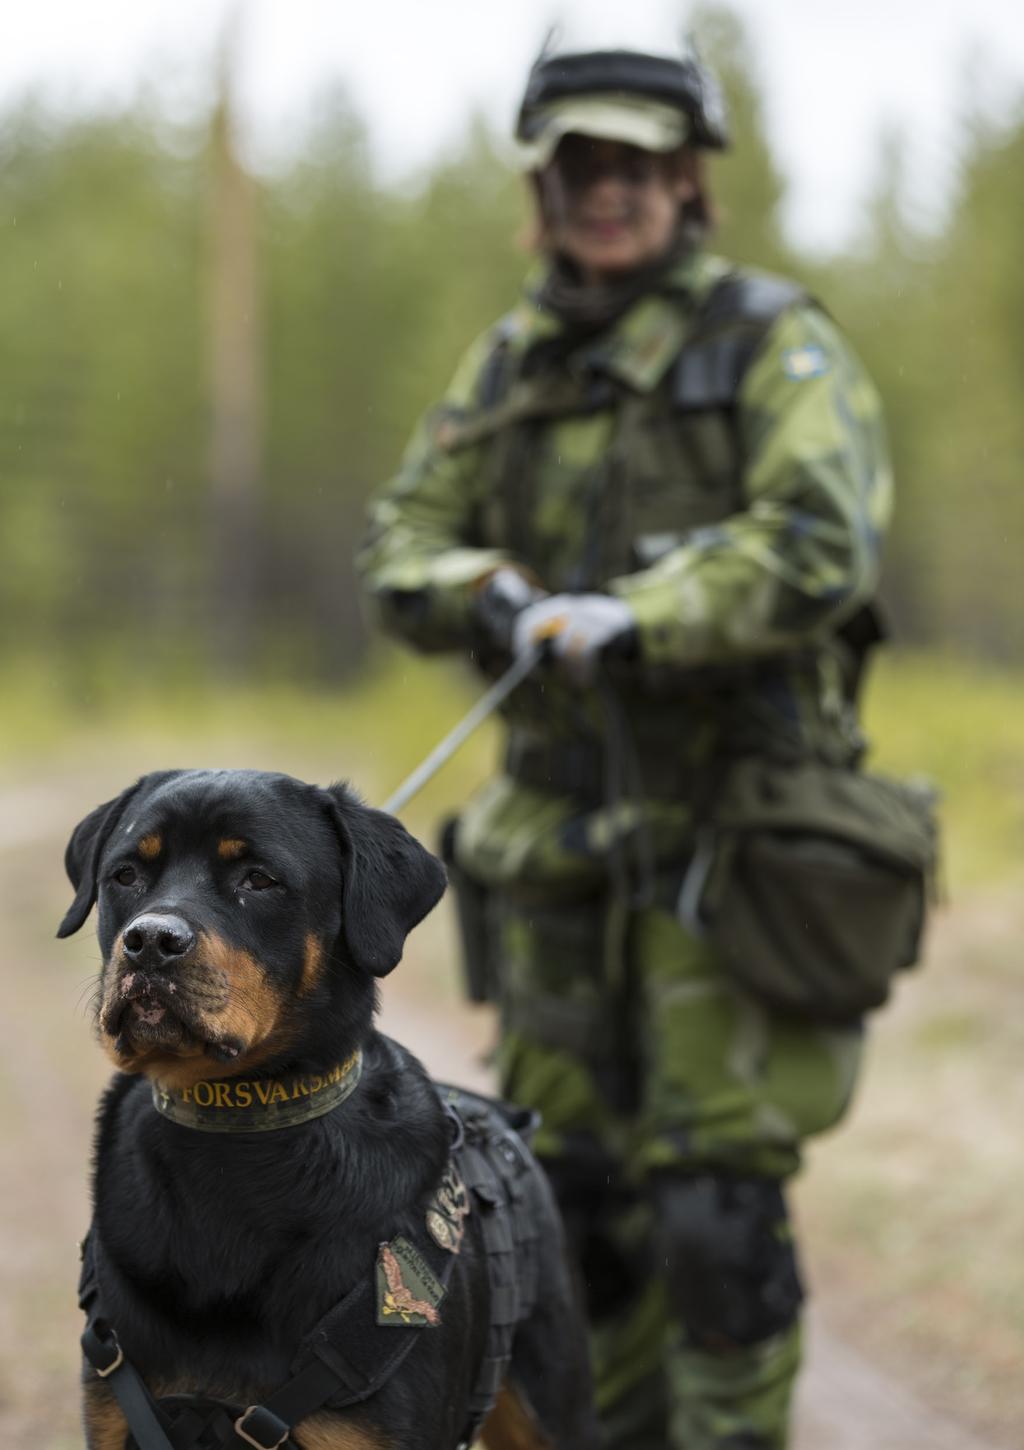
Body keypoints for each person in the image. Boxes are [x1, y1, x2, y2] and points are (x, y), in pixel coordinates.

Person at [358, 36, 892, 1450]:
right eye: (582, 163)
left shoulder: (771, 342)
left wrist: (640, 613)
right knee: (566, 1208)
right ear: (545, 181)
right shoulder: (512, 362)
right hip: (557, 866)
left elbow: (821, 542)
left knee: (716, 1213)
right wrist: (488, 591)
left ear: (687, 180)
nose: (611, 191)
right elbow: (401, 538)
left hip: (731, 853)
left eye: (640, 164)